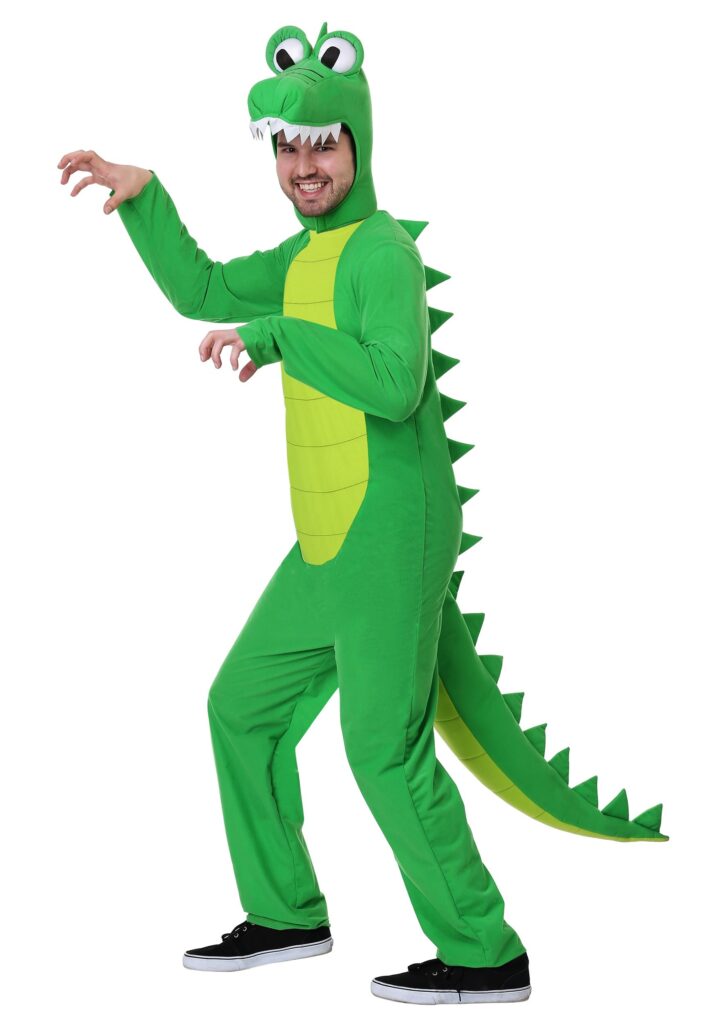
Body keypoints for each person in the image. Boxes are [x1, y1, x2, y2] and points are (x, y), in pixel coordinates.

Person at [56, 19, 666, 1006]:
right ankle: (286, 913)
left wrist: (279, 338)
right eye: (287, 148)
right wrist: (145, 197)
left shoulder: (381, 255)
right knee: (240, 709)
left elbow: (394, 382)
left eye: (322, 144)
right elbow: (201, 289)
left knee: (382, 748)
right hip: (325, 542)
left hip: (389, 532)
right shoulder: (306, 256)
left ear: (358, 142)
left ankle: (484, 953)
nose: (304, 166)